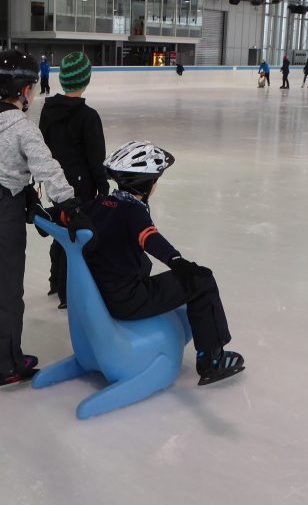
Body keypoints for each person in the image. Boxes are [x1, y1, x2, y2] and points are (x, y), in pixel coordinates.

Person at [0, 49, 92, 389]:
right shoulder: (22, 127)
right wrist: (71, 205)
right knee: (5, 290)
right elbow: (48, 169)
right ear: (24, 91)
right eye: (33, 87)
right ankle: (4, 364)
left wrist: (27, 195)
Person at [79, 141, 245, 386]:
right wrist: (176, 261)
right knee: (202, 280)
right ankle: (213, 360)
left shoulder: (98, 204)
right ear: (147, 185)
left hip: (103, 294)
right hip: (128, 300)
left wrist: (41, 211)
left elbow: (65, 216)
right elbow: (149, 237)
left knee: (180, 277)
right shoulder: (133, 211)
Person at [38, 52, 109, 309]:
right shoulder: (88, 116)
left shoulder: (48, 110)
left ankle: (56, 282)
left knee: (60, 231)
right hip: (82, 188)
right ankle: (70, 292)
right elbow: (95, 157)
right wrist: (103, 187)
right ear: (85, 80)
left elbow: (42, 147)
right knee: (77, 237)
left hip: (56, 185)